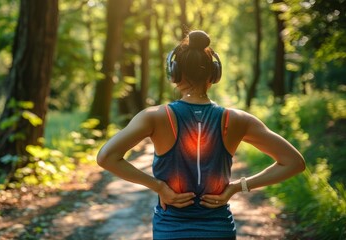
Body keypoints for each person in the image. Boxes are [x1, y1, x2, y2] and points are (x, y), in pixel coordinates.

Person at [96, 30, 305, 240]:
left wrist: (159, 186)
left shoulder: (154, 117)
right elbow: (294, 162)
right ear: (215, 74)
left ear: (174, 73)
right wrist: (237, 187)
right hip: (218, 228)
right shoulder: (239, 120)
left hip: (170, 229)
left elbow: (106, 157)